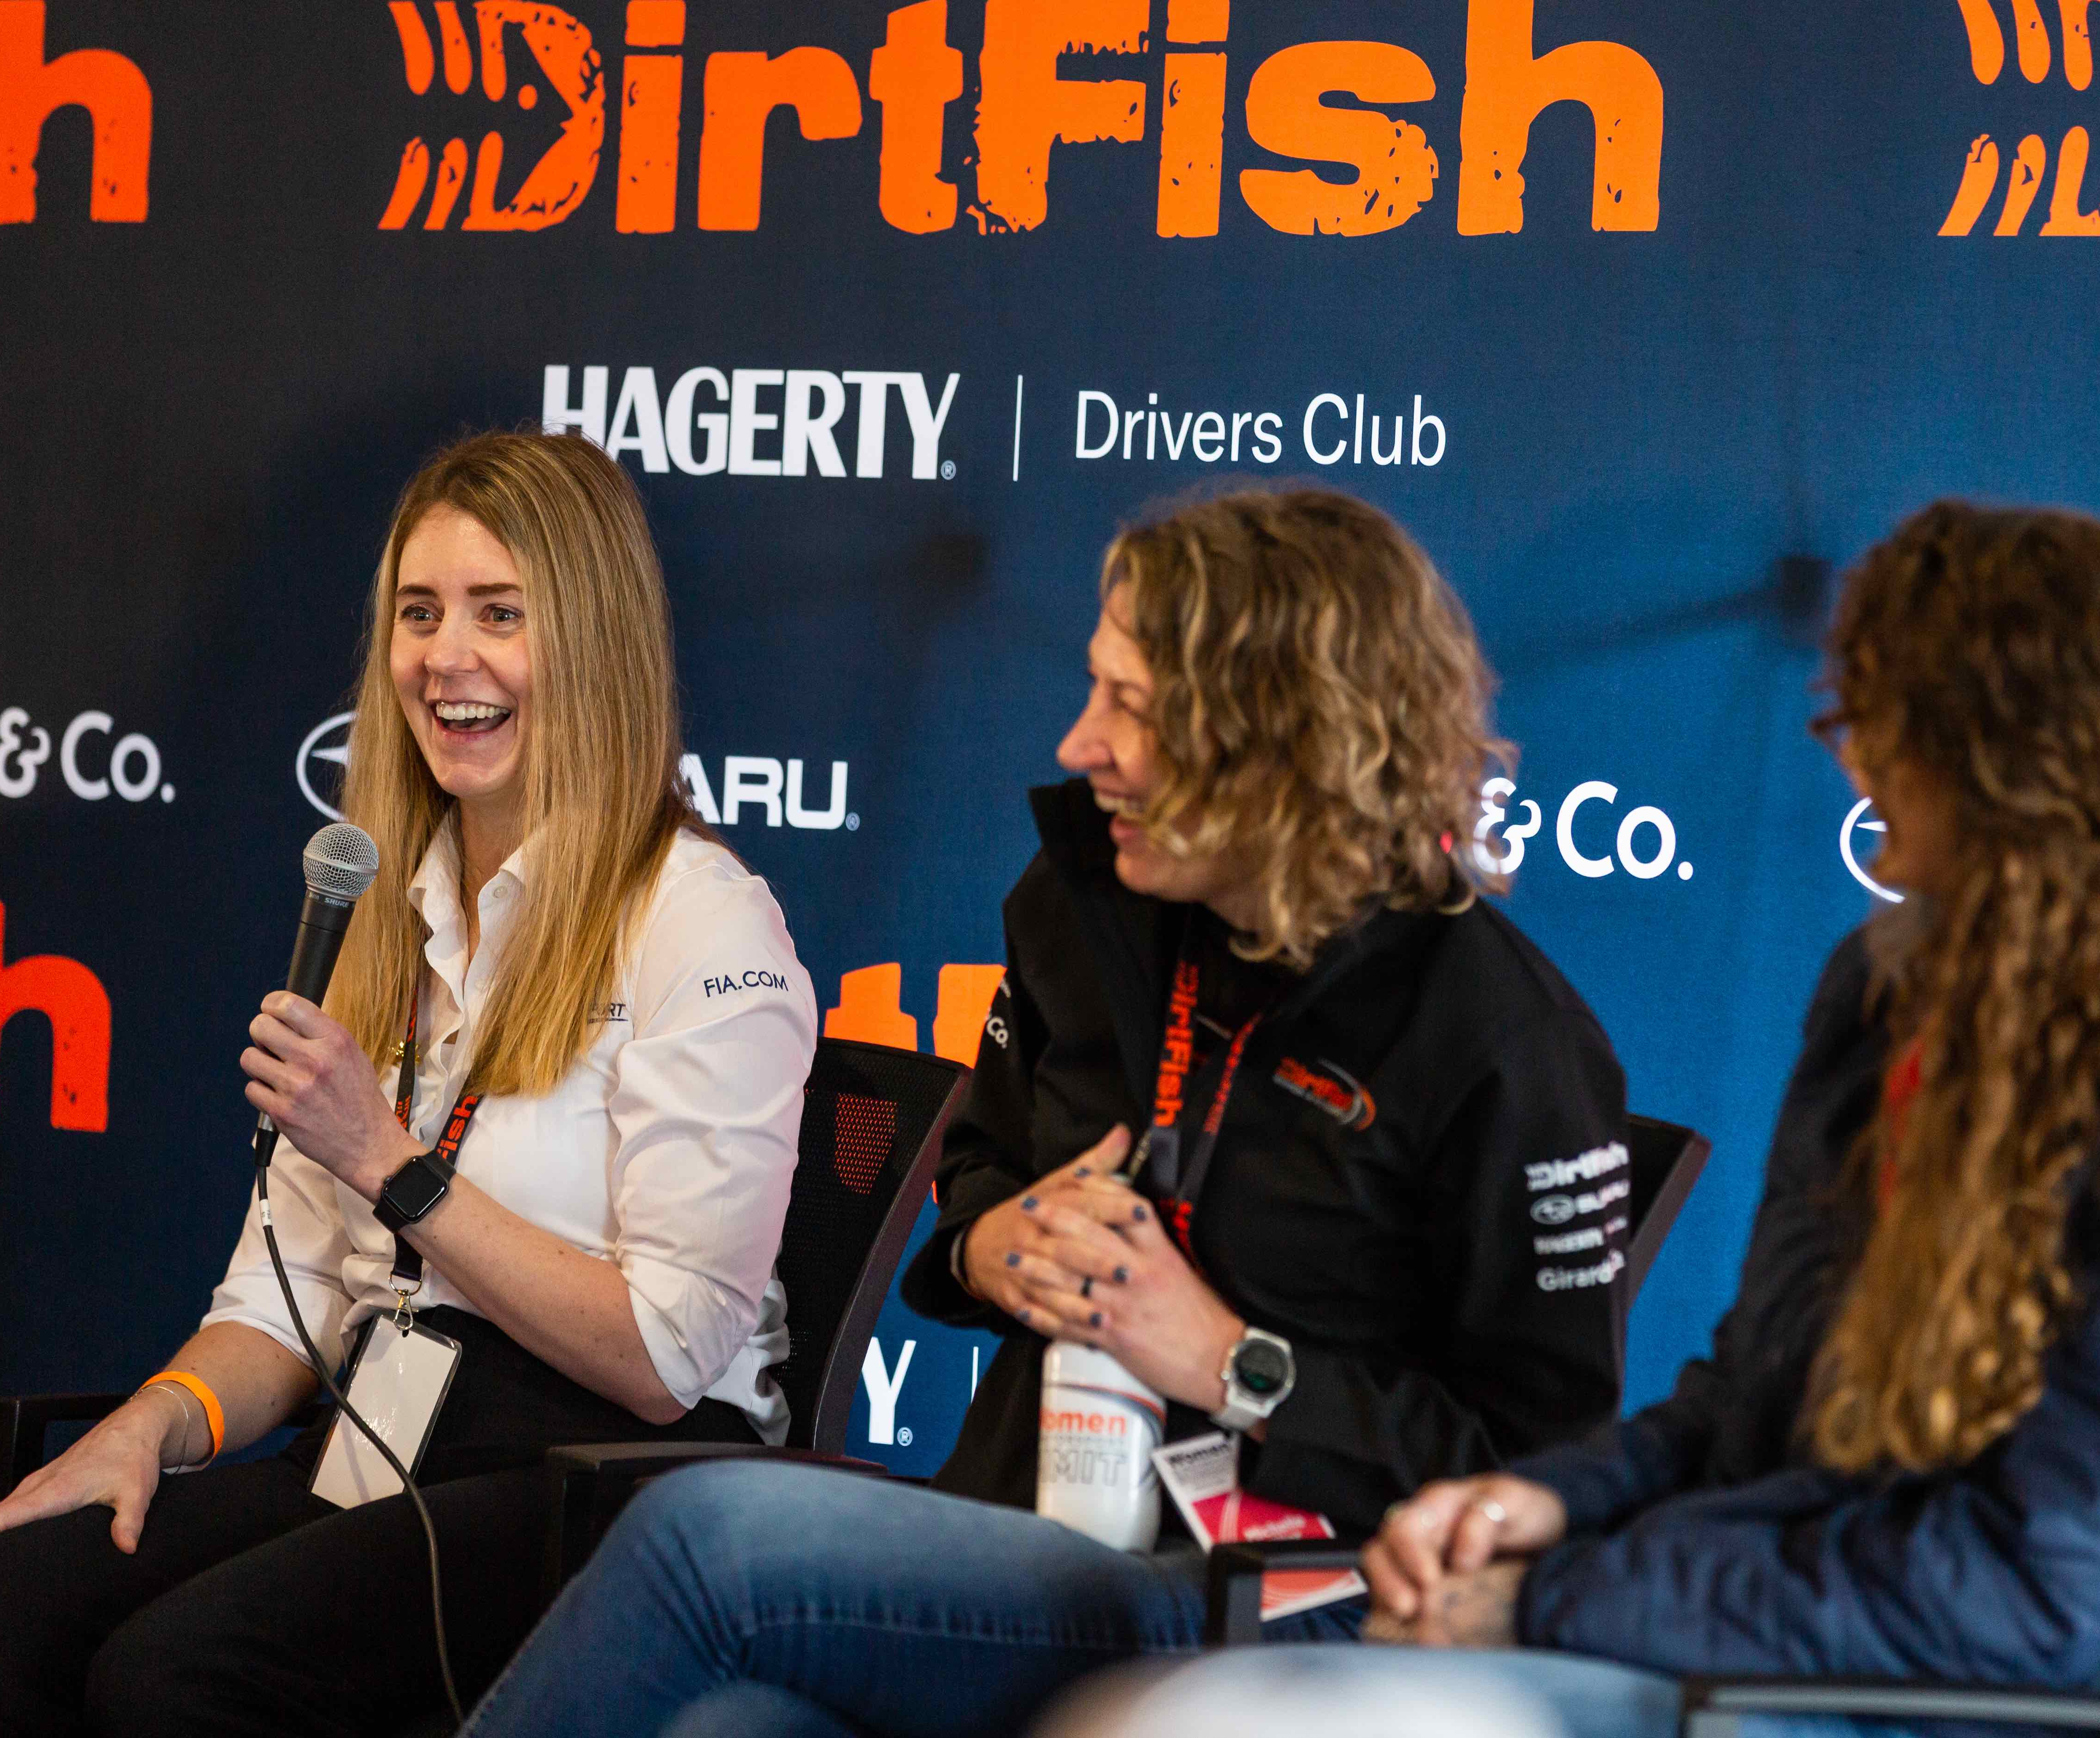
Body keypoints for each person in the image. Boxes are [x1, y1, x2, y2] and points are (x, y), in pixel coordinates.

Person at [1137, 501, 2100, 1738]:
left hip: (1912, 1703)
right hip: (1748, 1658)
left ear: (2007, 753)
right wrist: (1540, 1505)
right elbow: (1750, 1407)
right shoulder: (1896, 996)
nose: (1848, 760)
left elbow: (2026, 1591)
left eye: (1873, 718)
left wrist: (1550, 1601)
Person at [461, 485, 1646, 1738]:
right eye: (1095, 689)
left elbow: (1534, 1471)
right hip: (1036, 1517)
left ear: (1279, 735)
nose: (1082, 744)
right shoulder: (1091, 903)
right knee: (729, 1731)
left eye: (1132, 706)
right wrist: (996, 1244)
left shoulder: (1502, 1039)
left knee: (708, 1537)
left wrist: (1232, 1363)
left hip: (1287, 1599)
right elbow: (979, 1167)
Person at [0, 430, 816, 1735]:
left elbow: (667, 1356)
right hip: (376, 1449)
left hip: (597, 1492)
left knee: (172, 1681)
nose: (448, 657)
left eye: (501, 614)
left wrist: (392, 1164)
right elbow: (291, 1301)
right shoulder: (383, 910)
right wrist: (152, 1424)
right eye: (419, 613)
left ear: (594, 642)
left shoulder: (700, 921)